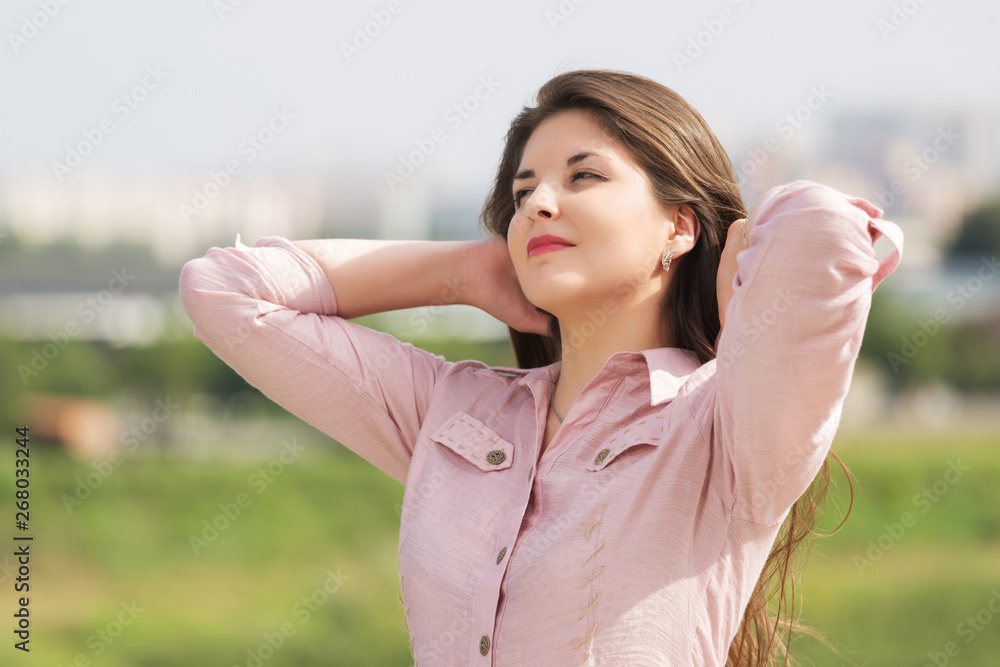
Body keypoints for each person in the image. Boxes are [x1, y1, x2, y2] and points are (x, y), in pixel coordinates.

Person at [179, 69, 903, 666]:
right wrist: (462, 270)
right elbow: (226, 293)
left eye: (582, 176)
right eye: (523, 195)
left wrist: (740, 273)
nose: (539, 206)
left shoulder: (725, 426)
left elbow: (827, 233)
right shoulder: (455, 413)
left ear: (677, 226)